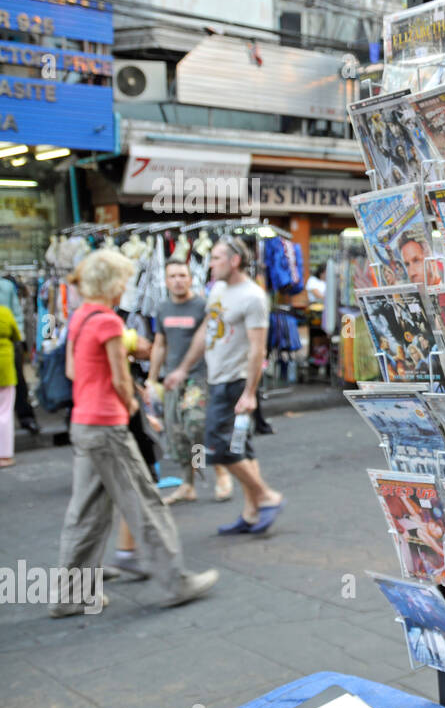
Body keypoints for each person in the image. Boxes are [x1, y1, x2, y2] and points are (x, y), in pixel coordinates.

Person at [53, 250, 218, 616]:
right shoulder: (109, 322)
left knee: (86, 512)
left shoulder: (79, 317)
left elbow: (72, 372)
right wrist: (131, 403)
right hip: (107, 425)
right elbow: (119, 377)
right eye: (123, 281)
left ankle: (70, 594)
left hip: (83, 422)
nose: (126, 287)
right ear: (111, 284)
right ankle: (175, 581)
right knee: (144, 502)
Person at [165, 237, 284, 535]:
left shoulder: (253, 297)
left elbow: (258, 349)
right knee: (240, 448)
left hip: (236, 382)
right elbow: (206, 331)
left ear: (234, 261)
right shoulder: (217, 289)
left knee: (217, 449)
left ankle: (267, 496)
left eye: (216, 258)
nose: (210, 263)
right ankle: (252, 511)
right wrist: (182, 369)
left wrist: (250, 393)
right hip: (215, 379)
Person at [148, 258, 233, 507]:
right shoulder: (162, 308)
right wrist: (152, 380)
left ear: (190, 278)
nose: (178, 280)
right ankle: (188, 484)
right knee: (177, 434)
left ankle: (219, 472)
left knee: (195, 424)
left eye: (182, 275)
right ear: (165, 281)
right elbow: (160, 344)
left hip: (198, 377)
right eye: (172, 276)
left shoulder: (202, 307)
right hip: (172, 380)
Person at [0, 273, 37, 434]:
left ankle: (25, 417)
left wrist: (19, 338)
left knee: (17, 380)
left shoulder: (6, 287)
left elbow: (17, 314)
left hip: (10, 340)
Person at [0, 300, 17, 467]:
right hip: (4, 366)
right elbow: (17, 334)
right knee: (4, 411)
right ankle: (4, 455)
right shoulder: (5, 312)